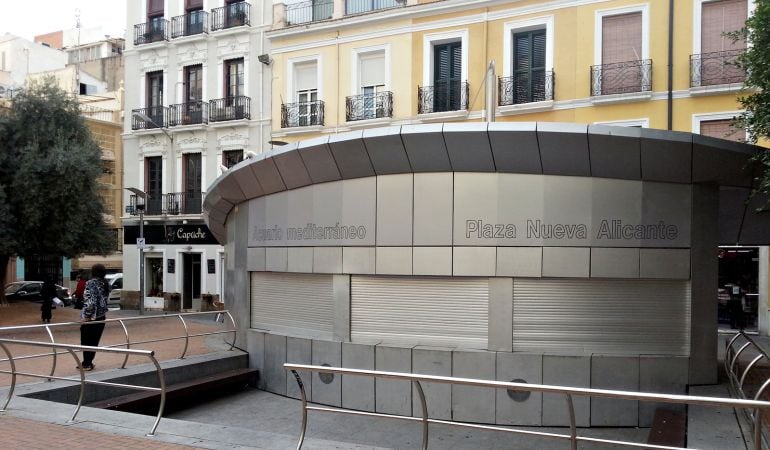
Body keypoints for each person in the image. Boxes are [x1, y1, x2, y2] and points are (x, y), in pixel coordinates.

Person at [79, 264, 108, 371]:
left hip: (91, 317)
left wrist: (86, 315)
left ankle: (86, 363)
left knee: (86, 340)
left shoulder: (91, 283)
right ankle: (88, 362)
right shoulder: (105, 283)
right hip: (101, 316)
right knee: (94, 341)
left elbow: (90, 301)